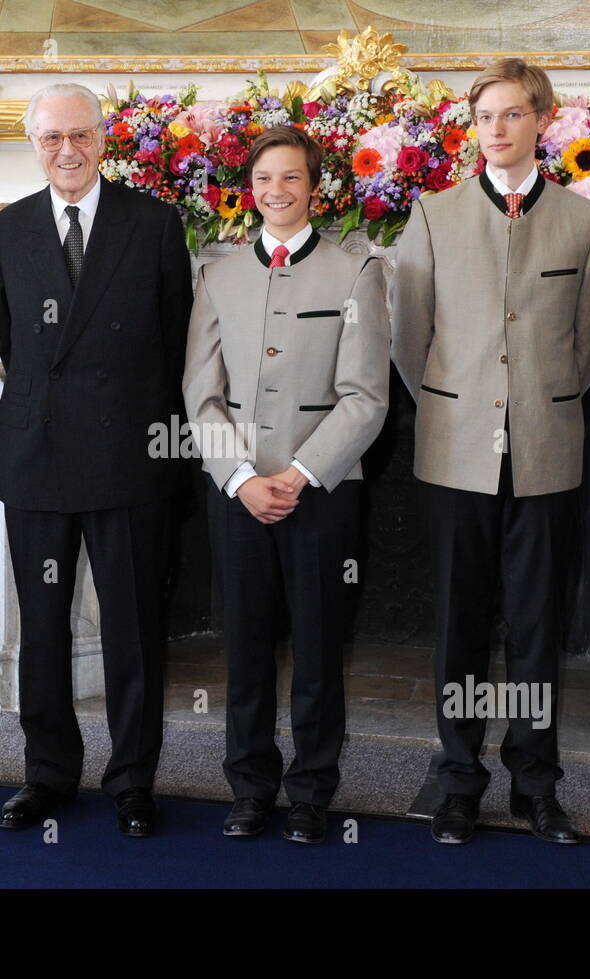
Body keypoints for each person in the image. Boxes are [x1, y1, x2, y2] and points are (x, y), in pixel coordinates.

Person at [389, 58, 590, 846]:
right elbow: (410, 338)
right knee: (459, 624)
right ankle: (457, 780)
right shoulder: (432, 215)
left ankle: (535, 781)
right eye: (486, 117)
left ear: (542, 120)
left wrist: (537, 404)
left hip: (548, 451)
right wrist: (457, 404)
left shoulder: (585, 223)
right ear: (472, 125)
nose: (499, 129)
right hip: (454, 453)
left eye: (514, 114)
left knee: (537, 626)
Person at [0, 83, 193, 838]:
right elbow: (18, 347)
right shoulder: (7, 230)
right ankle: (48, 774)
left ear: (104, 140)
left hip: (129, 458)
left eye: (80, 135)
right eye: (50, 138)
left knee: (133, 627)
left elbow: (174, 346)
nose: (66, 151)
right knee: (42, 626)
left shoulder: (155, 223)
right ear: (33, 144)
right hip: (39, 456)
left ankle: (134, 779)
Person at [183, 125, 389, 843]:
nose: (277, 191)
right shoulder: (216, 273)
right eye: (265, 178)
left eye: (292, 178)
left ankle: (311, 790)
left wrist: (299, 475)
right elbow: (199, 395)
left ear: (314, 187)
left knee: (318, 648)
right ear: (251, 189)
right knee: (243, 646)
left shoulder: (357, 272)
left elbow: (367, 395)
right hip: (237, 495)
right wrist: (241, 478)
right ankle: (249, 786)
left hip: (322, 492)